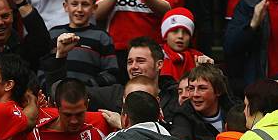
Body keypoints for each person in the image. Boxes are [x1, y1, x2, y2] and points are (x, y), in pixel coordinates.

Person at [44, 35, 180, 121]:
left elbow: (179, 139)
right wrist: (60, 55)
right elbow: (60, 90)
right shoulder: (112, 95)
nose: (133, 66)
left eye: (140, 61)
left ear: (159, 64)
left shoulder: (176, 96)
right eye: (129, 61)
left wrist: (123, 128)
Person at [95, 0, 180, 83]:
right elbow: (96, 13)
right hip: (117, 50)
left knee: (150, 89)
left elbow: (168, 12)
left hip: (151, 50)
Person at [46, 0, 118, 87]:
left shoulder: (102, 37)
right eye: (74, 4)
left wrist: (85, 87)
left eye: (85, 4)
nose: (79, 9)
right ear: (66, 6)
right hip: (56, 95)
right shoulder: (53, 34)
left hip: (89, 97)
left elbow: (111, 74)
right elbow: (43, 69)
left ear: (94, 8)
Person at [171, 64, 235, 140]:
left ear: (218, 91)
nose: (195, 94)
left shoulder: (233, 110)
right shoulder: (182, 115)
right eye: (191, 88)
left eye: (202, 88)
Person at [160, 7, 214, 81]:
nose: (180, 36)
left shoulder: (199, 59)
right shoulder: (155, 55)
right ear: (165, 36)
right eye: (175, 31)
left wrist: (207, 69)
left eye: (186, 32)